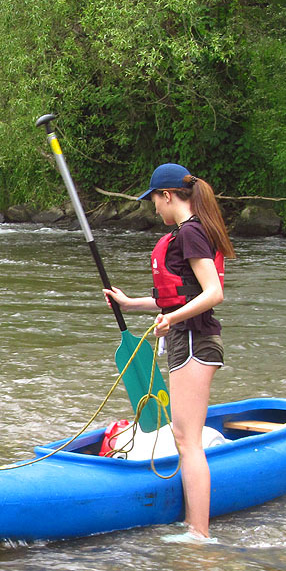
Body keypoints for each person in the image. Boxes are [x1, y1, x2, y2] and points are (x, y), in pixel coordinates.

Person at [103, 163, 236, 540]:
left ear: (167, 195)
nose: (154, 209)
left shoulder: (191, 233)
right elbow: (178, 295)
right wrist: (130, 304)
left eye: (154, 202)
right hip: (186, 337)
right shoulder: (186, 233)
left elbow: (214, 293)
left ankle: (199, 533)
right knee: (182, 436)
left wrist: (172, 317)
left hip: (195, 339)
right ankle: (194, 527)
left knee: (187, 440)